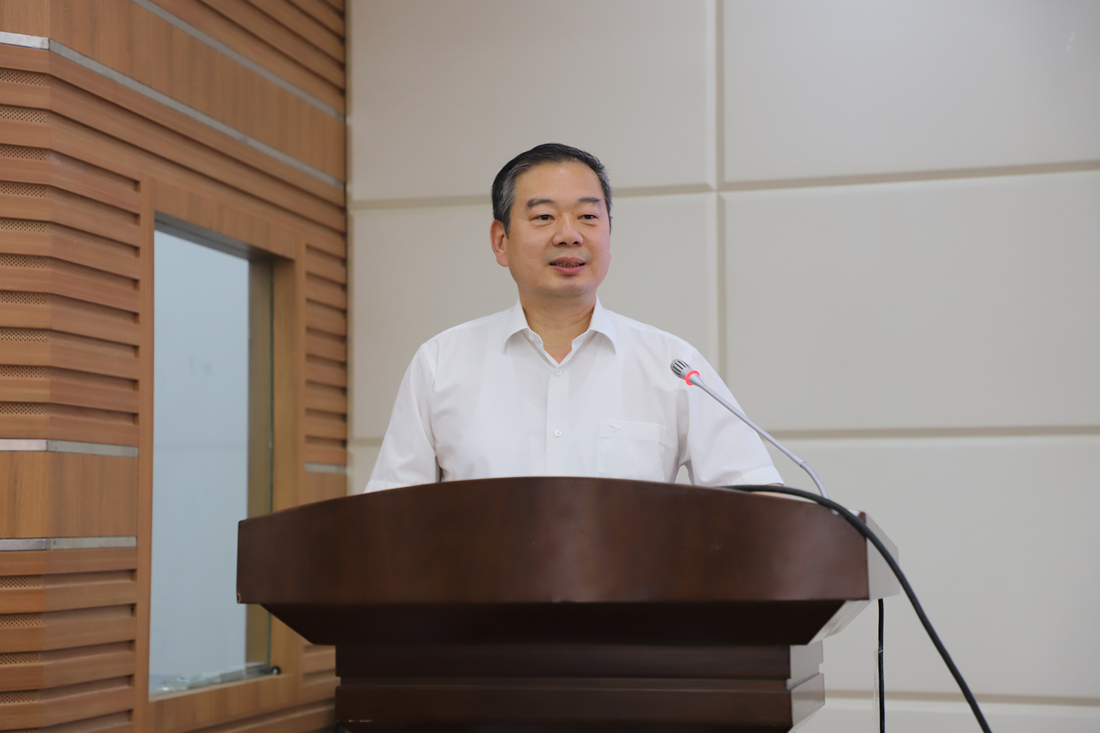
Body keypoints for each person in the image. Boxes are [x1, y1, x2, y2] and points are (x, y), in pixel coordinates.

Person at [363, 143, 782, 492]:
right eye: (544, 217)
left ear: (609, 234)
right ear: (501, 241)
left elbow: (757, 500)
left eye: (588, 217)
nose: (569, 234)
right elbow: (389, 517)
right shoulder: (441, 362)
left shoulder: (672, 365)